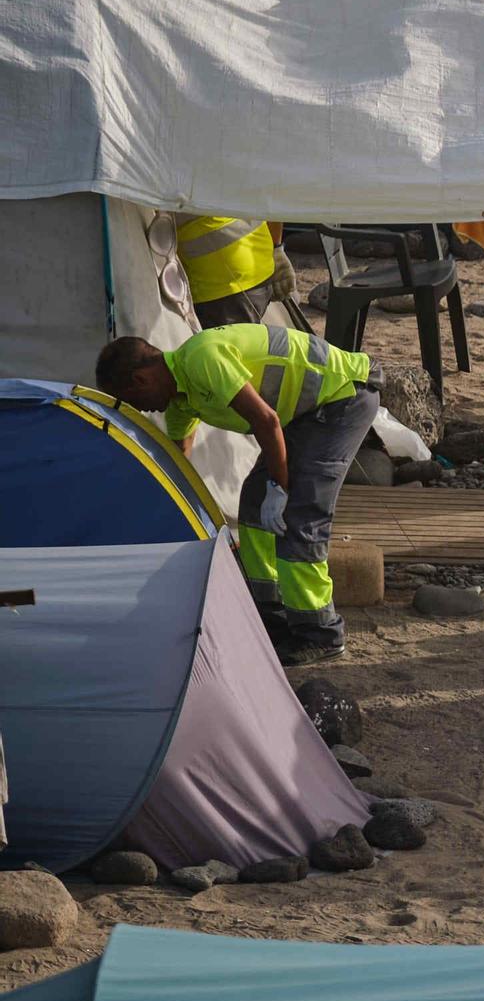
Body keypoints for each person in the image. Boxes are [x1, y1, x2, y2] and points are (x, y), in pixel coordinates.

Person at [95, 325, 380, 667]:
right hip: (305, 414)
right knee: (254, 502)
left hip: (344, 396)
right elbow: (178, 462)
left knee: (300, 514)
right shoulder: (180, 401)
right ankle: (271, 616)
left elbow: (267, 420)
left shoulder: (202, 358)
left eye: (134, 402)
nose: (143, 410)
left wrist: (280, 488)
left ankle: (320, 632)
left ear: (141, 380)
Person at [174, 215, 294, 328]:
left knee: (227, 347)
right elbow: (270, 203)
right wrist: (276, 249)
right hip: (261, 265)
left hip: (221, 286)